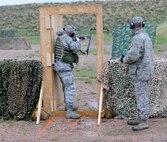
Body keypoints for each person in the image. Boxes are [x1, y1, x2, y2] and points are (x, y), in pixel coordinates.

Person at [120, 16, 154, 131]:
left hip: (141, 71)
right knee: (141, 94)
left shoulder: (137, 38)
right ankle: (140, 118)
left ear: (132, 25)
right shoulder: (146, 36)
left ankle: (143, 121)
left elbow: (133, 56)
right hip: (144, 70)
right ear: (142, 24)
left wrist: (124, 59)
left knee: (141, 95)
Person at [54, 24, 83, 119]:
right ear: (70, 32)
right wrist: (78, 41)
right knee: (70, 87)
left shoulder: (61, 36)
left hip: (59, 65)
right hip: (64, 66)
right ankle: (70, 111)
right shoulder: (66, 38)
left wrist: (74, 39)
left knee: (66, 86)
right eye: (72, 32)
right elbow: (75, 48)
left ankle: (68, 106)